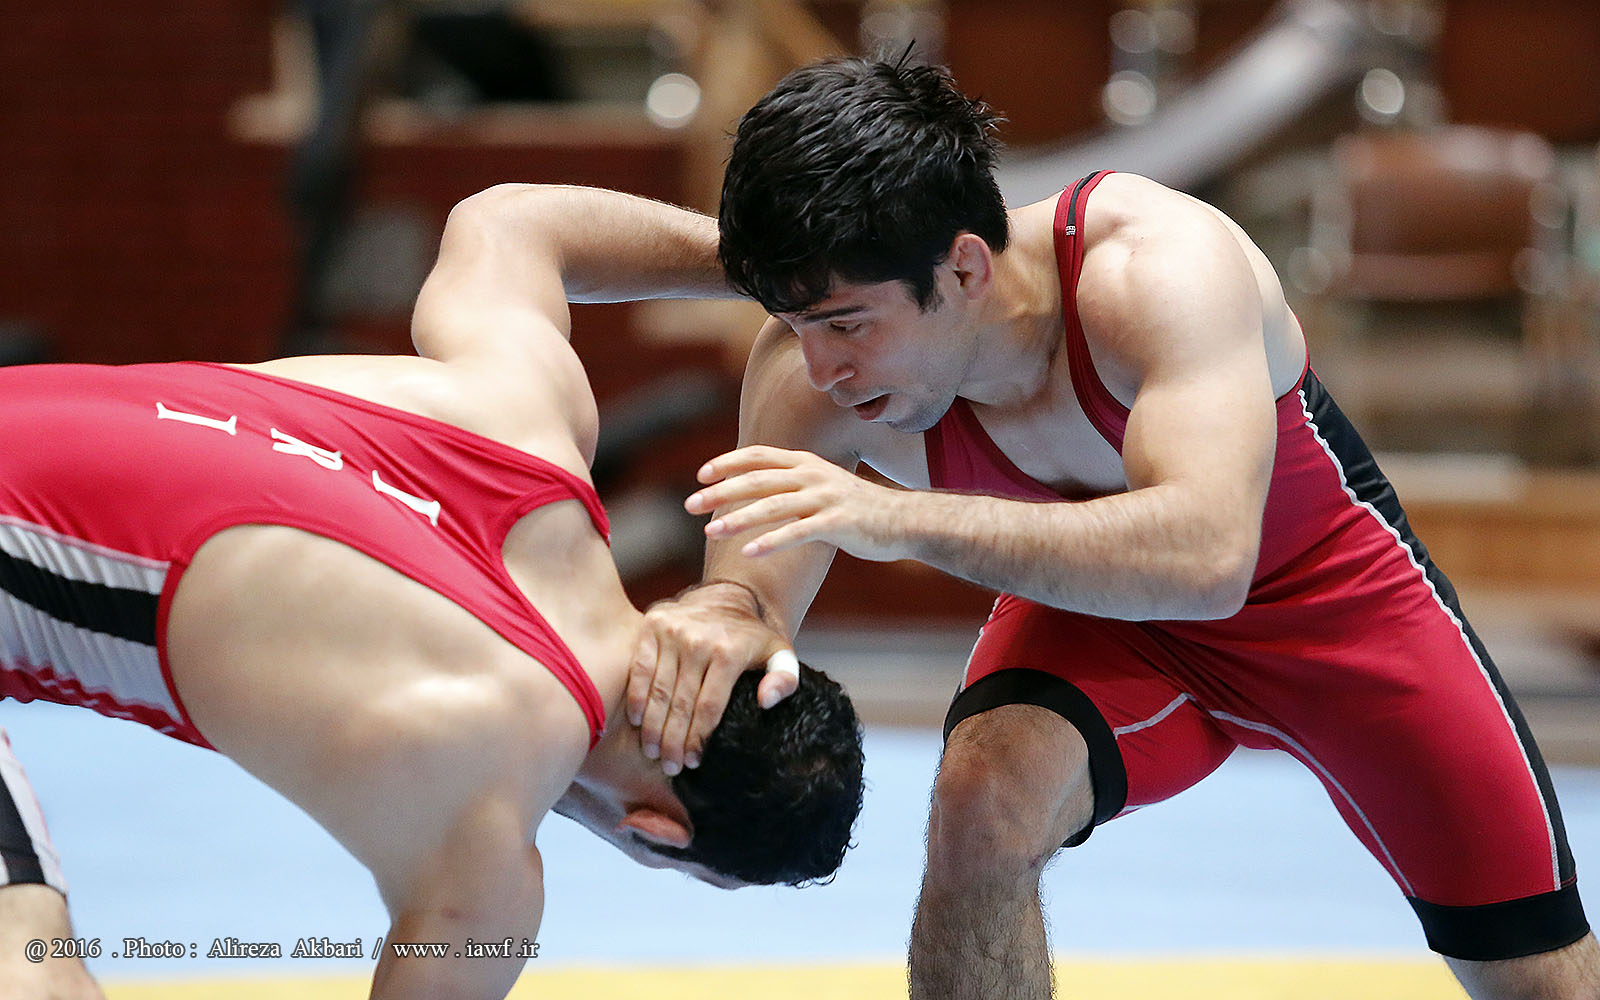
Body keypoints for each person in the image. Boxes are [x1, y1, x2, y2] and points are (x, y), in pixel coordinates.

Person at [624, 55, 1600, 1000]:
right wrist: (716, 631)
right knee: (980, 809)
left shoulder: (1157, 271)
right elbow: (747, 603)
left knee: (1531, 966)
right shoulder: (808, 371)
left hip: (1331, 600)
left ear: (963, 267)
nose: (820, 367)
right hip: (1097, 612)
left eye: (845, 323)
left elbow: (1207, 560)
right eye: (792, 320)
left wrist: (901, 518)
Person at [0, 183, 864, 1000]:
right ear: (657, 830)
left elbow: (512, 219)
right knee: (33, 968)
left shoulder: (531, 419)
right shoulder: (484, 856)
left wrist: (798, 277)